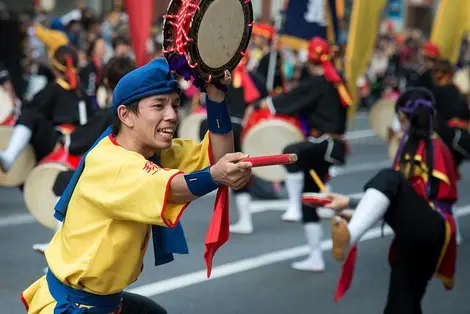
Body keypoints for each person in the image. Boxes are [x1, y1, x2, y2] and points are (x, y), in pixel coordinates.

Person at [21, 57, 253, 313]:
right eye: (159, 106)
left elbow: (218, 157)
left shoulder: (154, 152)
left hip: (107, 301)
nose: (172, 115)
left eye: (175, 105)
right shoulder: (111, 162)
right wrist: (215, 176)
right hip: (74, 305)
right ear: (125, 115)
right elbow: (175, 188)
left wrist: (217, 97)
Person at [328, 87, 458, 314]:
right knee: (403, 301)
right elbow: (393, 200)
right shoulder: (411, 145)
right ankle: (354, 229)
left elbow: (415, 198)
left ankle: (352, 235)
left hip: (431, 225)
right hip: (414, 231)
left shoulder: (434, 147)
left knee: (390, 176)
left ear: (402, 116)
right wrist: (350, 205)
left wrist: (352, 205)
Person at [244, 36, 352, 272]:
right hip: (332, 146)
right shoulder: (335, 80)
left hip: (325, 143)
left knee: (290, 153)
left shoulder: (319, 82)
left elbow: (292, 99)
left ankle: (293, 205)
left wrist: (265, 104)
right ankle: (316, 255)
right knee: (310, 199)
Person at [32, 55, 138, 255]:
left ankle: (59, 245)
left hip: (114, 174)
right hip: (135, 172)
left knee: (64, 180)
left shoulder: (115, 111)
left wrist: (66, 139)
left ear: (107, 83)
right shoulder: (139, 108)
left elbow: (80, 140)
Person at [198, 53, 269, 234]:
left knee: (228, 167)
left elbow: (205, 99)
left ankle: (242, 219)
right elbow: (263, 98)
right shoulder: (253, 76)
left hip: (225, 128)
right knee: (240, 168)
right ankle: (245, 220)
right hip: (244, 128)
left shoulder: (220, 75)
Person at [0, 45, 95, 173]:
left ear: (54, 67)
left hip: (57, 141)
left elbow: (30, 108)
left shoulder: (52, 89)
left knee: (29, 115)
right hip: (79, 143)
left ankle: (10, 155)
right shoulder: (82, 92)